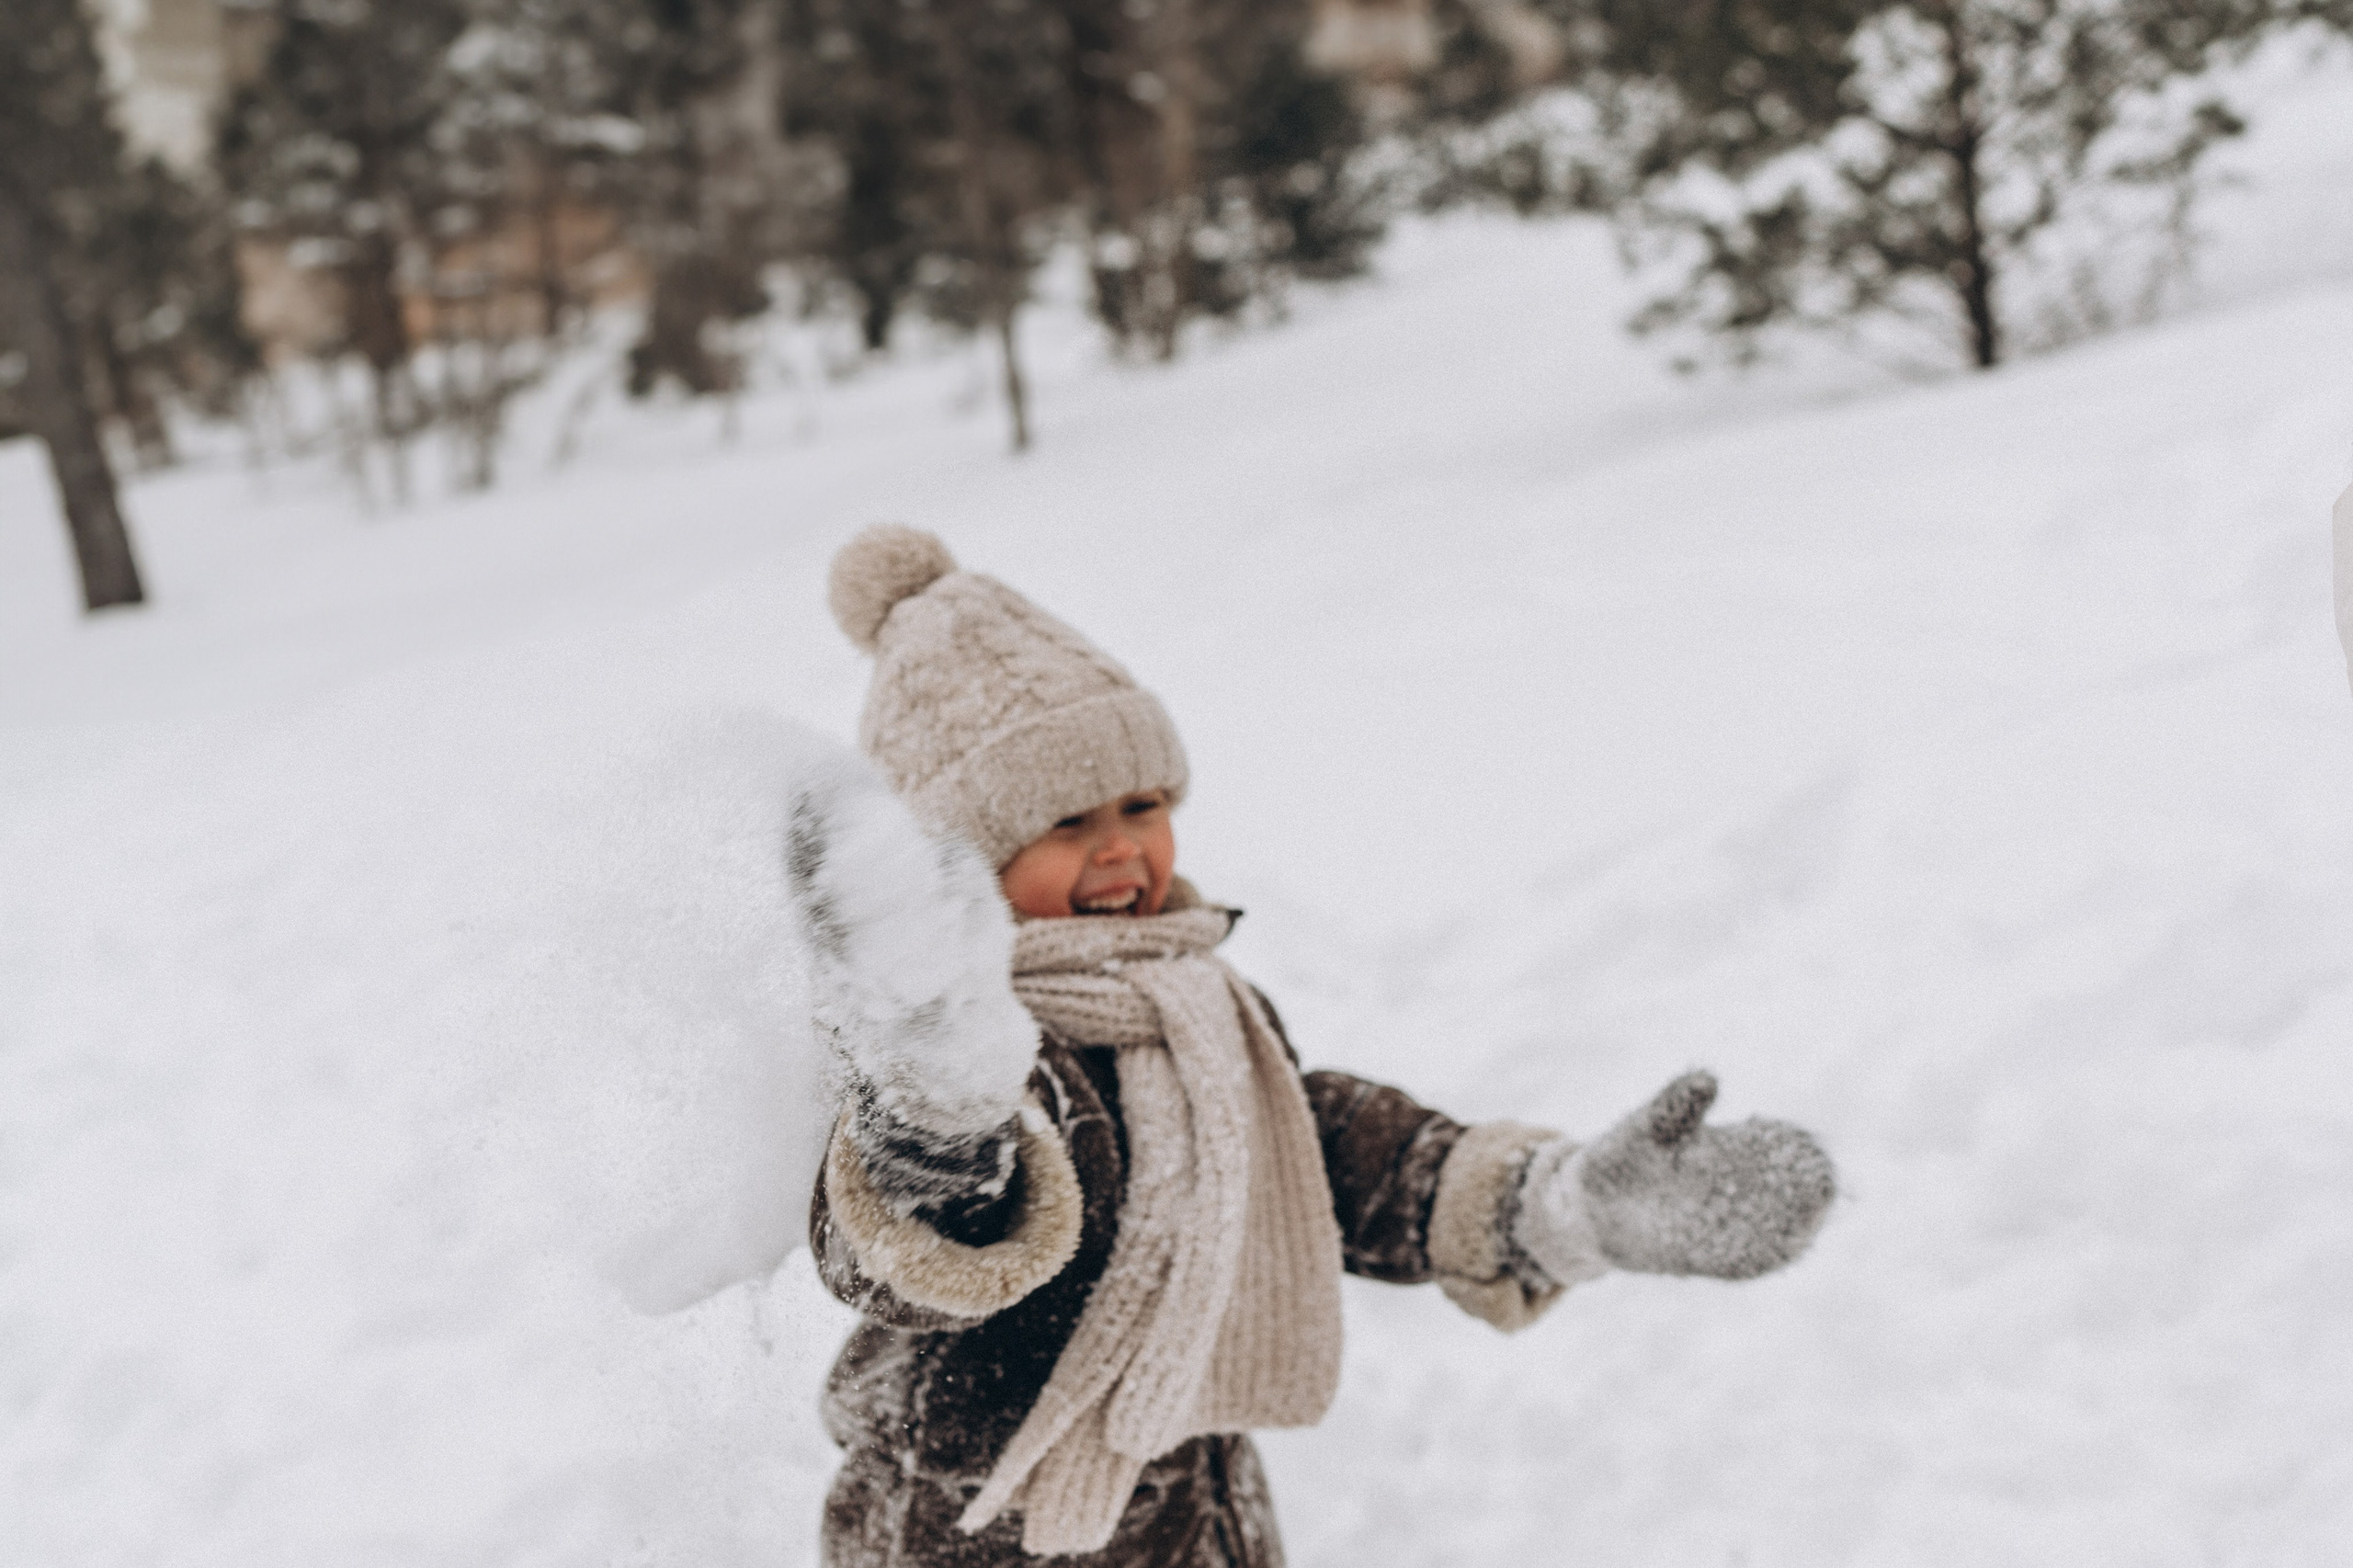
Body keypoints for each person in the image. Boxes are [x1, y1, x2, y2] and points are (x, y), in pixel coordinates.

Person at [789, 526, 1836, 1568]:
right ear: (961, 861)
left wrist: (1553, 1202)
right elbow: (910, 1248)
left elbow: (1322, 1148)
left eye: (1142, 805)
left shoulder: (1199, 1010)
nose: (1119, 846)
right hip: (972, 1527)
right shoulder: (971, 1051)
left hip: (1187, 1504)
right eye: (1063, 820)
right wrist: (935, 1117)